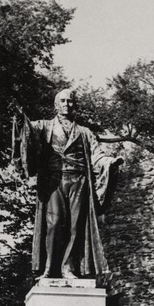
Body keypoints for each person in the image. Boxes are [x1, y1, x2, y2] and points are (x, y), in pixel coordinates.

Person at [12, 89, 122, 279]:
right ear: (56, 104)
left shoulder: (85, 132)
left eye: (70, 101)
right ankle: (50, 268)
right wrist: (20, 119)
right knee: (54, 224)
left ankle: (68, 268)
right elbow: (27, 134)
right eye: (62, 101)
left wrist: (110, 162)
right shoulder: (44, 126)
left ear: (74, 105)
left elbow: (97, 156)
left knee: (75, 226)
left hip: (78, 181)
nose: (66, 104)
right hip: (54, 181)